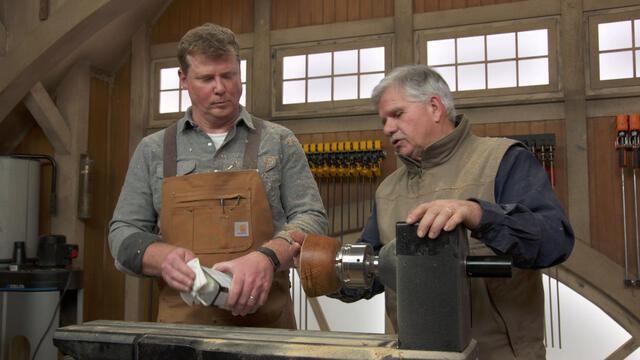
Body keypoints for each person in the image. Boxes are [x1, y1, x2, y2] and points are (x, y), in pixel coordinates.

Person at [338, 65, 574, 359]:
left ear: (435, 107)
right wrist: (326, 267)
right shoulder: (387, 190)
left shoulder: (503, 160)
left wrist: (479, 215)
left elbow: (554, 241)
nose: (387, 129)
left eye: (396, 114)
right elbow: (370, 270)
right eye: (383, 120)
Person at [108, 23, 327, 329]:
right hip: (182, 331)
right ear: (183, 79)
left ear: (241, 72)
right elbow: (122, 233)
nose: (220, 87)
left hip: (267, 328)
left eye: (229, 75)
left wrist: (266, 257)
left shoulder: (278, 141)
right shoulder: (153, 150)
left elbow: (312, 217)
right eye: (206, 78)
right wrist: (160, 256)